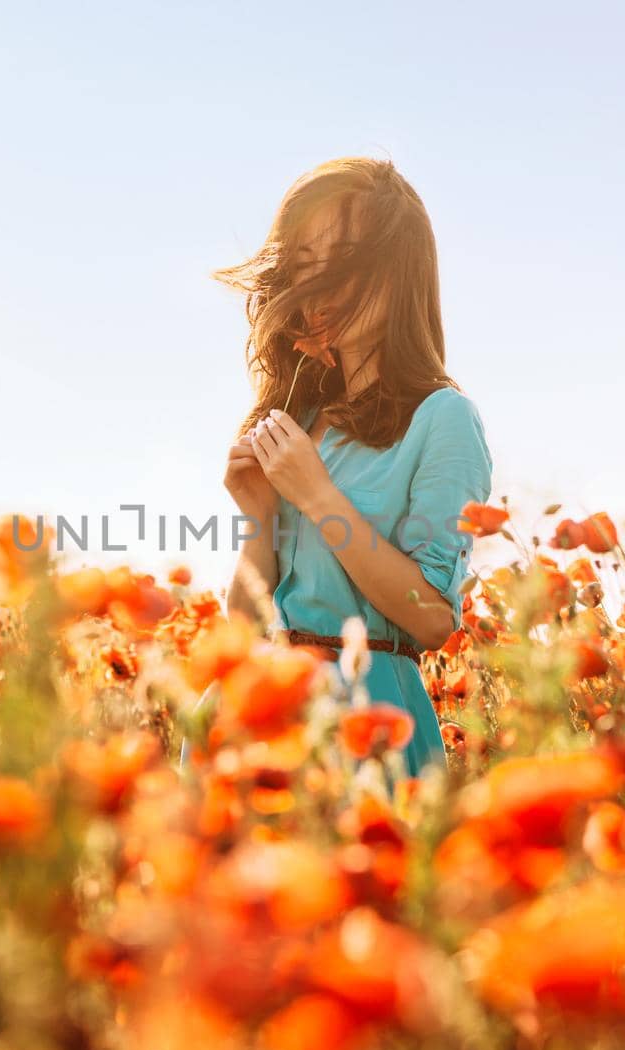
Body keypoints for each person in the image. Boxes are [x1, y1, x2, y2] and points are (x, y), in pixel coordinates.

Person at [182, 155, 493, 782]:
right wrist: (260, 519)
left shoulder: (443, 418)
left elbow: (433, 617)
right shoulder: (300, 418)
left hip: (368, 725)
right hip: (260, 720)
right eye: (304, 264)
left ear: (397, 269)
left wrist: (320, 497)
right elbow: (242, 630)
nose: (320, 284)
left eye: (343, 258)